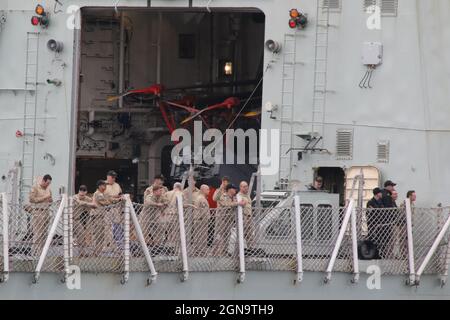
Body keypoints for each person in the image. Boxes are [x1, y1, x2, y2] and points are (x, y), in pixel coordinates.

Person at [213, 184, 245, 256]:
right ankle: (217, 252)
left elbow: (238, 204)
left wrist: (242, 203)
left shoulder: (234, 198)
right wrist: (237, 203)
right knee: (220, 236)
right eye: (234, 189)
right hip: (222, 220)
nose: (235, 190)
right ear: (230, 189)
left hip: (229, 220)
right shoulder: (223, 196)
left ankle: (224, 251)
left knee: (227, 236)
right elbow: (226, 204)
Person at [29, 174, 53, 256]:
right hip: (38, 212)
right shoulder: (35, 187)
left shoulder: (48, 189)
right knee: (38, 234)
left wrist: (50, 200)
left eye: (49, 183)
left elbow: (50, 200)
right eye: (47, 183)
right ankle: (34, 253)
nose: (48, 185)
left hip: (46, 212)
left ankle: (41, 252)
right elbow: (31, 199)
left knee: (44, 234)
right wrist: (45, 198)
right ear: (43, 180)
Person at [72, 185, 96, 255]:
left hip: (77, 219)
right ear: (79, 191)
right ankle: (66, 254)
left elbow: (94, 204)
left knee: (81, 235)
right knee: (68, 237)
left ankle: (82, 253)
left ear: (86, 192)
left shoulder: (86, 198)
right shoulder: (75, 197)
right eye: (81, 191)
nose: (82, 194)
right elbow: (79, 202)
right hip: (69, 219)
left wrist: (88, 204)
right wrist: (87, 204)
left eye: (83, 192)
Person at [104, 170, 124, 251]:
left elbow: (120, 195)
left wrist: (117, 197)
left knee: (117, 227)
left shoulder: (117, 185)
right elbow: (104, 197)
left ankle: (116, 246)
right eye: (112, 177)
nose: (113, 178)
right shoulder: (103, 184)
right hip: (107, 208)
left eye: (114, 177)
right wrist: (114, 197)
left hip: (116, 209)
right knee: (107, 227)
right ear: (108, 177)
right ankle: (106, 246)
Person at [91, 180, 113, 256]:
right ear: (100, 186)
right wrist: (110, 203)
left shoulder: (102, 194)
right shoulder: (98, 194)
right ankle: (95, 252)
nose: (105, 187)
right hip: (98, 217)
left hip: (101, 216)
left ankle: (98, 252)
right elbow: (104, 202)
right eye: (104, 185)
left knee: (101, 235)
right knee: (98, 235)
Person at [192, 185, 211, 256]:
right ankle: (201, 251)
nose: (209, 191)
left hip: (198, 220)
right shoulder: (202, 199)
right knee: (202, 236)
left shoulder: (199, 197)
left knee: (198, 236)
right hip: (201, 220)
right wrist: (206, 218)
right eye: (207, 189)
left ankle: (197, 251)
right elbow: (203, 211)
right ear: (203, 190)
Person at [237, 181, 255, 249]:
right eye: (244, 187)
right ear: (240, 187)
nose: (246, 188)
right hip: (243, 217)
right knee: (242, 234)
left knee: (250, 234)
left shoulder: (247, 195)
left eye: (246, 186)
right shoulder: (239, 196)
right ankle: (240, 249)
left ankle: (250, 248)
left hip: (249, 217)